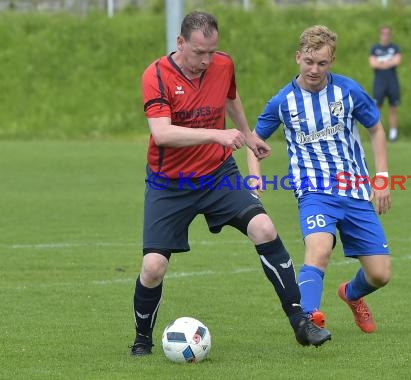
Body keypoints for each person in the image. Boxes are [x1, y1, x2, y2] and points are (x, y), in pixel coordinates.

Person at [130, 11, 331, 356]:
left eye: (211, 51)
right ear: (180, 43)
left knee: (265, 228)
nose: (206, 60)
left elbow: (230, 97)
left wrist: (250, 136)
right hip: (170, 184)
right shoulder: (157, 76)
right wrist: (219, 134)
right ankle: (143, 340)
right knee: (153, 267)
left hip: (217, 174)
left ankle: (300, 321)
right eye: (198, 53)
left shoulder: (222, 65)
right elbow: (161, 134)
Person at [249, 25, 391, 334]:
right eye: (309, 62)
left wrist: (381, 178)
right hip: (314, 192)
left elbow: (377, 129)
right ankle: (308, 319)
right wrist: (254, 178)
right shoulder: (283, 101)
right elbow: (255, 139)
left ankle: (351, 295)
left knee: (380, 275)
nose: (314, 69)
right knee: (319, 250)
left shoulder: (348, 91)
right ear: (298, 57)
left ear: (331, 61)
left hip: (354, 190)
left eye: (322, 63)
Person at [369, 25, 402, 142]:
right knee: (377, 107)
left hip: (392, 81)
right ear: (380, 35)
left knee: (393, 107)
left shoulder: (395, 47)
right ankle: (378, 132)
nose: (385, 36)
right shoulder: (375, 48)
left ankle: (393, 133)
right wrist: (389, 62)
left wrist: (381, 62)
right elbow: (373, 63)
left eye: (388, 33)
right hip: (379, 82)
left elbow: (397, 61)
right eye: (383, 33)